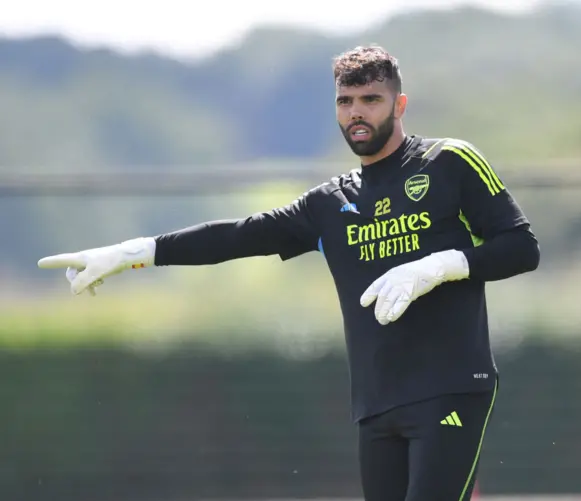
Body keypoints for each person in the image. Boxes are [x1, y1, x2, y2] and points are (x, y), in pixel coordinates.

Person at [38, 45, 540, 501]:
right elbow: (240, 235)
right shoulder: (329, 202)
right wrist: (137, 251)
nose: (357, 113)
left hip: (451, 386)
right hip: (376, 402)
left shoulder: (448, 161)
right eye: (346, 101)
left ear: (399, 105)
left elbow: (522, 247)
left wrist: (442, 266)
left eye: (371, 99)